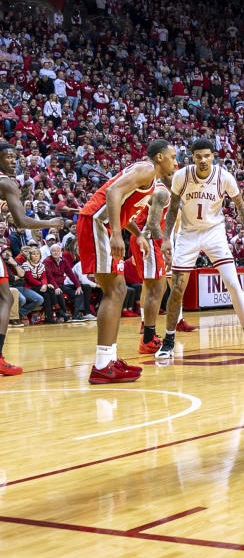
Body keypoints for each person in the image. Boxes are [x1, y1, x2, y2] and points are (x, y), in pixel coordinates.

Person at [77, 138, 177, 384]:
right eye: (173, 157)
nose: (176, 161)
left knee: (118, 291)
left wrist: (138, 234)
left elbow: (124, 209)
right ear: (160, 157)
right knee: (116, 290)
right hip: (97, 223)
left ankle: (109, 358)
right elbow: (112, 192)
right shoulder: (146, 169)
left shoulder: (151, 180)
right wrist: (114, 233)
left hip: (101, 224)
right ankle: (102, 365)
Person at [155, 139, 244, 358]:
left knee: (233, 283)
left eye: (207, 155)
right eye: (198, 156)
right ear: (192, 158)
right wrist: (166, 238)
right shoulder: (181, 176)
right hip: (187, 234)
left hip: (214, 233)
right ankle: (168, 340)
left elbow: (242, 207)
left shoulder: (224, 177)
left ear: (213, 156)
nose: (203, 160)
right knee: (176, 290)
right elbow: (173, 209)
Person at [0, 143, 68, 372]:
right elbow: (21, 222)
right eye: (7, 157)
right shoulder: (6, 182)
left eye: (14, 157)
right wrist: (49, 222)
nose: (12, 160)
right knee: (4, 300)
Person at [129, 173, 172, 353]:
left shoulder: (157, 190)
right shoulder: (161, 192)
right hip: (149, 240)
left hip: (145, 239)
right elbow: (153, 224)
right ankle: (148, 339)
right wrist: (164, 248)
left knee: (157, 288)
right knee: (156, 289)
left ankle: (149, 335)